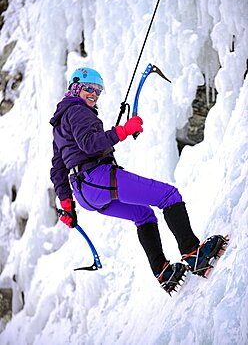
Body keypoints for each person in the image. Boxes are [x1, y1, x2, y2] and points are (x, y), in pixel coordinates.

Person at [50, 67, 225, 294]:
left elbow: (58, 168)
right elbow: (90, 144)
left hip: (85, 194)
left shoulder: (60, 123)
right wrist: (123, 131)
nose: (94, 94)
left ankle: (164, 272)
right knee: (168, 195)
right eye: (89, 89)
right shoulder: (78, 111)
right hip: (97, 178)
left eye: (98, 91)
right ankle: (194, 254)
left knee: (143, 215)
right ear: (75, 87)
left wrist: (67, 205)